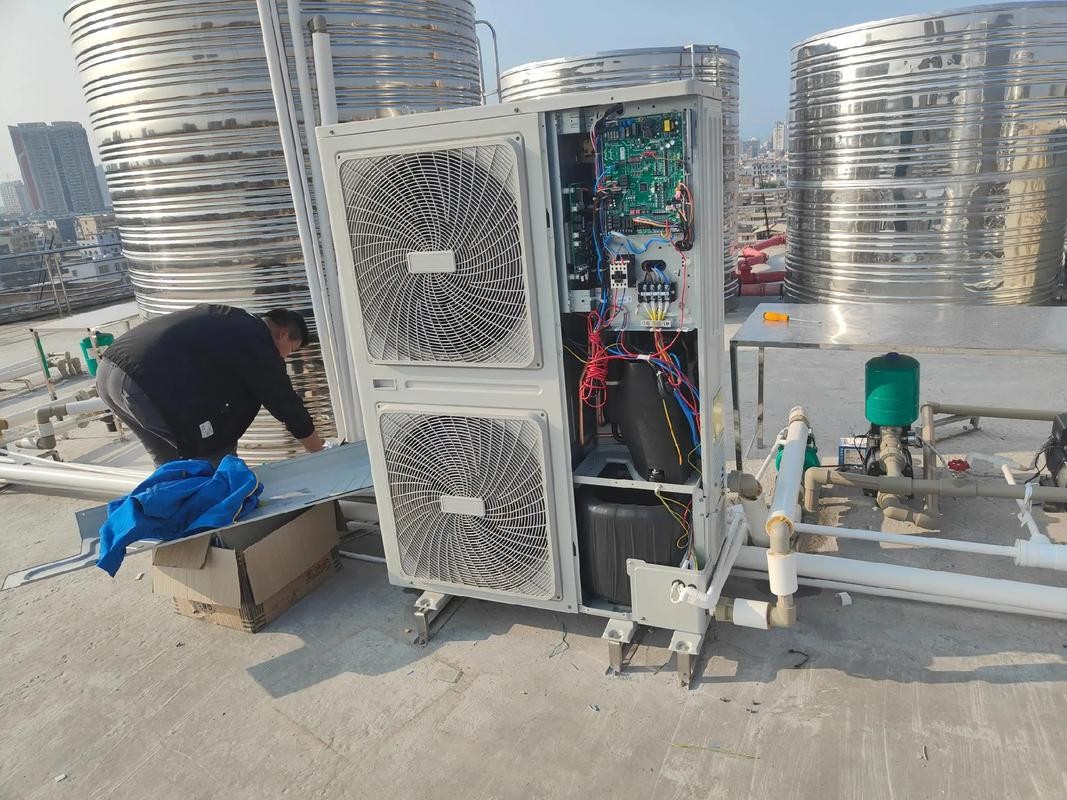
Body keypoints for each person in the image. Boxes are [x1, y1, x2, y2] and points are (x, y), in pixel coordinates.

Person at [96, 304, 325, 467]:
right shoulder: (258, 341)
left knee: (170, 465)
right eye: (290, 351)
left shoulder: (232, 320)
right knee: (212, 461)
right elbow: (284, 402)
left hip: (108, 371)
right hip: (141, 383)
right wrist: (317, 451)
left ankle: (178, 517)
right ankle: (219, 519)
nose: (285, 357)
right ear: (283, 334)